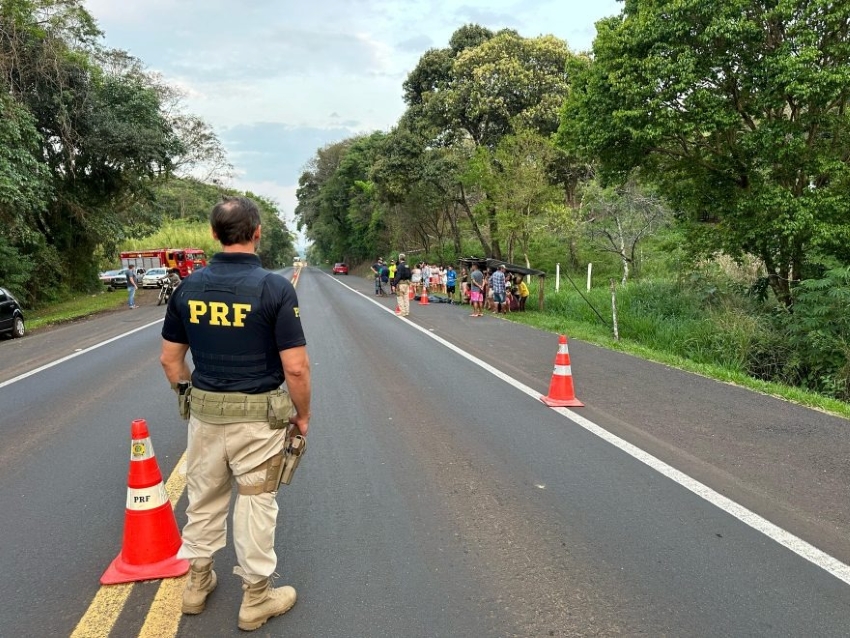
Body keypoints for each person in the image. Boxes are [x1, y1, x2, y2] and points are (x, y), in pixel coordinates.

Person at [159, 195, 311, 632]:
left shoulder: (188, 288)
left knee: (203, 500)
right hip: (260, 421)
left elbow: (170, 360)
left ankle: (197, 585)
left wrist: (191, 396)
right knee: (255, 504)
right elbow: (295, 367)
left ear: (214, 235)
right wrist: (303, 415)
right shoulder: (275, 289)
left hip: (205, 417)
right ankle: (256, 599)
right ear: (257, 233)